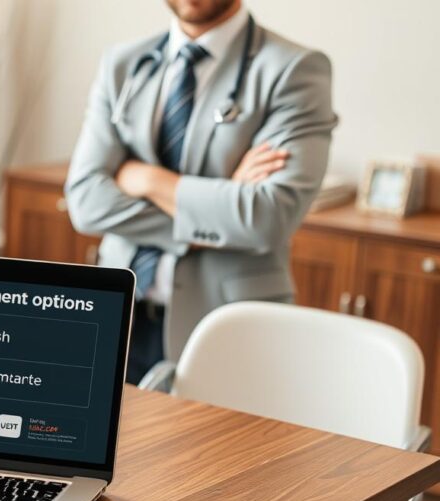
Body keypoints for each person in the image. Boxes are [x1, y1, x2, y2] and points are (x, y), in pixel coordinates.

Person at [65, 0, 337, 384]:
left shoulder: (294, 69)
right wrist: (220, 205)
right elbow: (85, 201)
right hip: (117, 320)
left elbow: (266, 217)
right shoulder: (123, 63)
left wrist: (145, 180)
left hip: (225, 327)